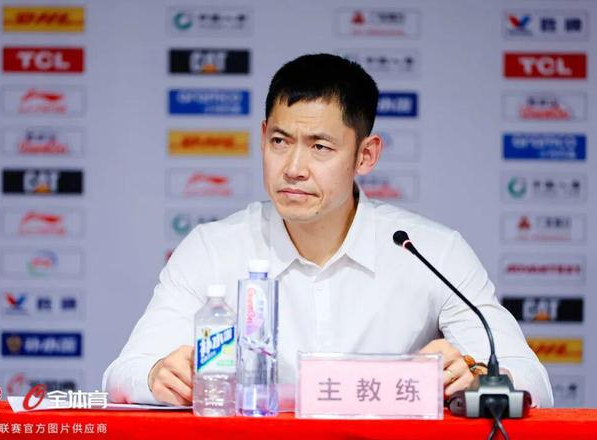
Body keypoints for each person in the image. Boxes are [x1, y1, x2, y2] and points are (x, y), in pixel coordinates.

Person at [102, 53, 553, 408]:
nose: (293, 168)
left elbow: (533, 381)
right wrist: (158, 375)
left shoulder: (431, 251)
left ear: (365, 155)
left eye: (320, 147)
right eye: (280, 142)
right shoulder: (213, 249)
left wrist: (476, 374)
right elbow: (123, 373)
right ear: (262, 136)